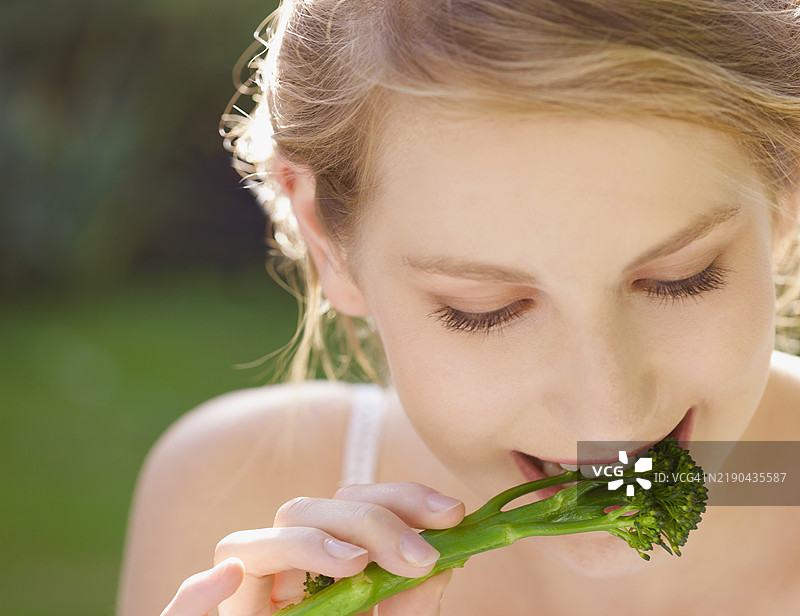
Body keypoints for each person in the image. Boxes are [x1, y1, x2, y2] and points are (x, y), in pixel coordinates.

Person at [118, 1, 800, 614]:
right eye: (487, 309)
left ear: (786, 195)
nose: (609, 417)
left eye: (683, 278)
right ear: (328, 241)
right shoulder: (227, 496)